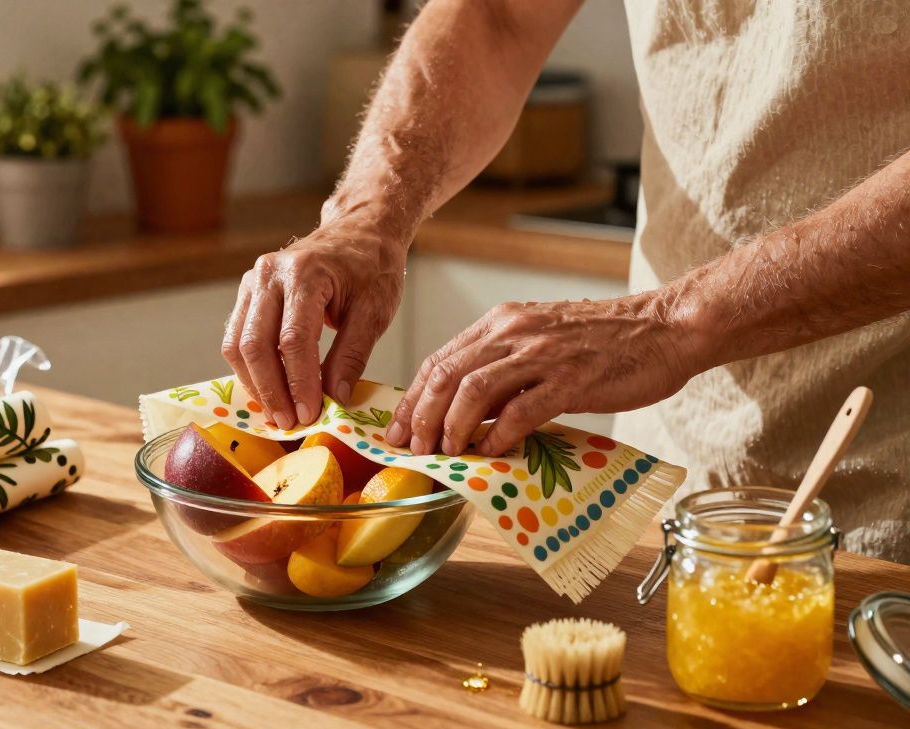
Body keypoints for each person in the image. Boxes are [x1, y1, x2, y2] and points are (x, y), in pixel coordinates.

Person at [222, 0, 910, 563]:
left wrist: (671, 324)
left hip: (891, 493)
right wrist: (366, 217)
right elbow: (497, 15)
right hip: (674, 472)